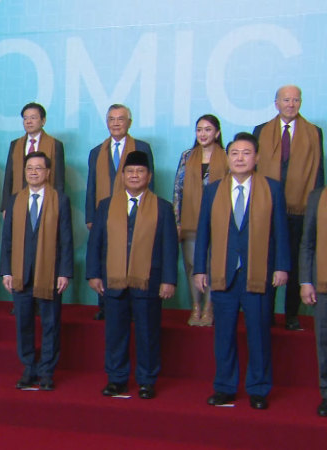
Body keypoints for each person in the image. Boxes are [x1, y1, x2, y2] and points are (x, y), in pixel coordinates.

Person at [194, 132, 289, 410]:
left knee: (259, 334)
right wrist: (200, 269)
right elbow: (203, 234)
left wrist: (282, 266)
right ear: (228, 157)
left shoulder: (272, 189)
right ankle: (225, 387)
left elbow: (281, 232)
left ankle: (259, 389)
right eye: (235, 153)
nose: (240, 158)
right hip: (223, 274)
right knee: (223, 335)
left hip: (258, 274)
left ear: (256, 158)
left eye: (246, 153)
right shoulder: (213, 190)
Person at [87, 151, 177, 399]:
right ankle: (116, 379)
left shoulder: (163, 208)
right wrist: (94, 274)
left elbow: (170, 247)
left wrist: (169, 280)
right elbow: (96, 243)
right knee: (115, 333)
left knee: (148, 333)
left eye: (140, 171)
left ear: (149, 176)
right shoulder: (106, 205)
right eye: (130, 171)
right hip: (113, 282)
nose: (135, 175)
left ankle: (147, 380)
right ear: (123, 176)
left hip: (149, 281)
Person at [253, 85, 324, 330]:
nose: (291, 104)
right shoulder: (260, 131)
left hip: (300, 210)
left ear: (300, 103)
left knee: (295, 262)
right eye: (286, 100)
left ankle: (291, 314)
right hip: (267, 209)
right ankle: (267, 313)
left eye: (295, 100)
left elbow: (319, 173)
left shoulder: (314, 132)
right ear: (276, 103)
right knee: (267, 261)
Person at [1, 152, 73, 391]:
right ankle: (29, 368)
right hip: (20, 273)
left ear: (48, 173)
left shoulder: (60, 200)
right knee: (24, 323)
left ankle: (46, 371)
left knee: (51, 324)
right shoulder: (14, 200)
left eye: (38, 168)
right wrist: (6, 270)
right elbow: (7, 239)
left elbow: (66, 239)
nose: (33, 172)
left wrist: (64, 272)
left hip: (49, 273)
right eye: (29, 168)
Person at [86, 104, 155, 320]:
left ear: (129, 123)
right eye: (111, 119)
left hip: (136, 212)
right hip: (106, 215)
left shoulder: (142, 147)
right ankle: (105, 307)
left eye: (120, 119)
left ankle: (134, 306)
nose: (115, 123)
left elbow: (149, 183)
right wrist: (91, 216)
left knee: (134, 255)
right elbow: (91, 186)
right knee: (106, 256)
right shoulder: (97, 151)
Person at [172, 114, 228, 326]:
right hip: (190, 222)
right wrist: (177, 222)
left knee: (214, 265)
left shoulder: (226, 156)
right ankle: (195, 306)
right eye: (199, 130)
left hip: (219, 222)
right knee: (193, 265)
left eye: (208, 129)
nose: (203, 134)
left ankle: (209, 308)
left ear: (217, 133)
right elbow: (177, 190)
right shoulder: (187, 156)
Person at [1, 102, 65, 212]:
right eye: (25, 118)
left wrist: (58, 206)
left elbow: (59, 180)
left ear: (43, 121)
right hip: (19, 200)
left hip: (46, 202)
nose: (28, 121)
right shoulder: (15, 145)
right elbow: (8, 177)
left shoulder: (55, 145)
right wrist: (5, 206)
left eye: (33, 118)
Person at [299, 185, 327, 417]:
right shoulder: (318, 197)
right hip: (323, 285)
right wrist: (306, 281)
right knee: (324, 342)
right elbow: (307, 243)